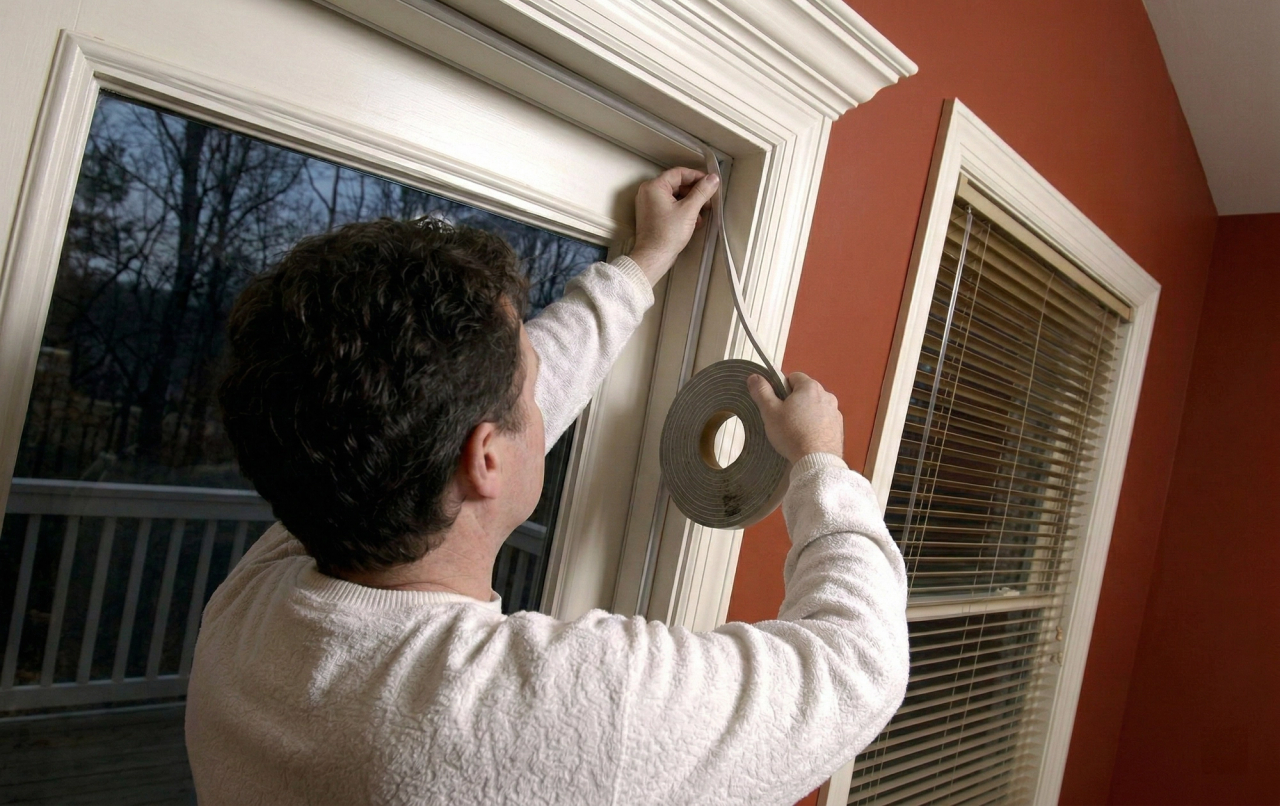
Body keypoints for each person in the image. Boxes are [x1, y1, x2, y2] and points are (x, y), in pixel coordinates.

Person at [186, 167, 909, 805]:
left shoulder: (256, 599)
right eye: (528, 393)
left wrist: (640, 268)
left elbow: (480, 403)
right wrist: (821, 464)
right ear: (484, 459)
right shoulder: (557, 709)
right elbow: (858, 667)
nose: (543, 401)